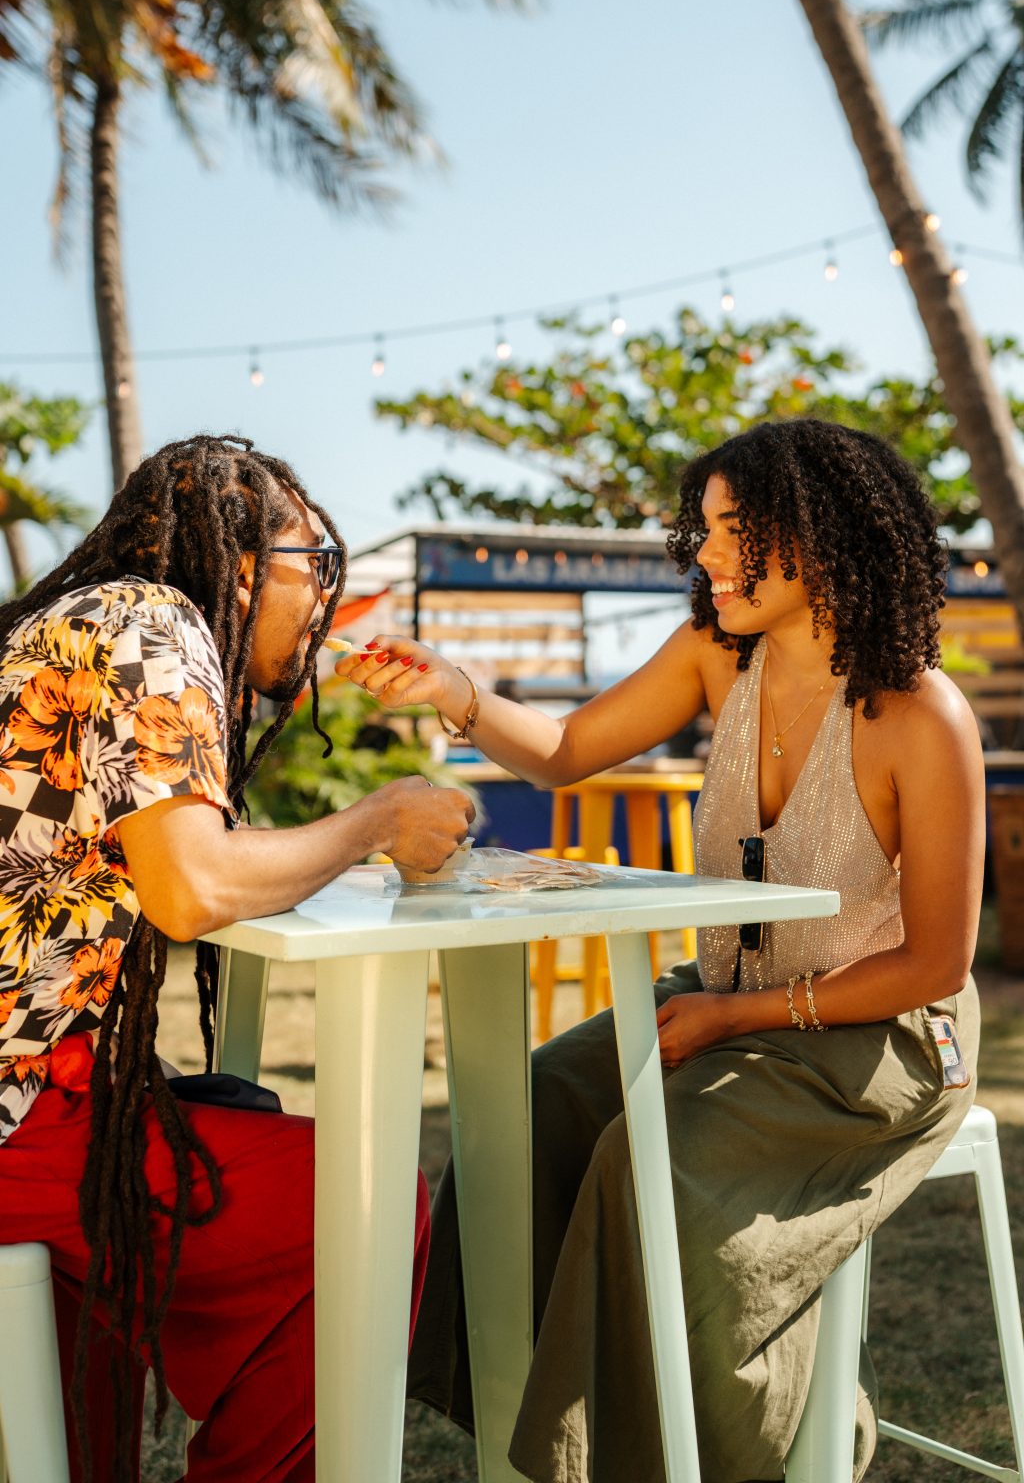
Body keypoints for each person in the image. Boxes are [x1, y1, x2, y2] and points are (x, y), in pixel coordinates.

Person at [338, 418, 985, 1483]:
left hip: (881, 1037)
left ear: (820, 536)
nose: (706, 553)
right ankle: (532, 1426)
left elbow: (935, 966)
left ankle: (772, 1442)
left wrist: (734, 1016)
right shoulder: (714, 657)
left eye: (736, 530)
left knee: (652, 1162)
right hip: (725, 999)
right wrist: (454, 689)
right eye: (706, 527)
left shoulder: (922, 716)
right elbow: (563, 751)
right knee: (525, 1110)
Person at [0, 434, 474, 1483]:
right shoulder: (151, 624)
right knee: (357, 1201)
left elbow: (171, 863)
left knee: (217, 1130)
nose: (328, 597)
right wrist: (378, 819)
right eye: (319, 564)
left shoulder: (83, 617)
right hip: (17, 1106)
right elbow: (194, 887)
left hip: (35, 1086)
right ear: (245, 566)